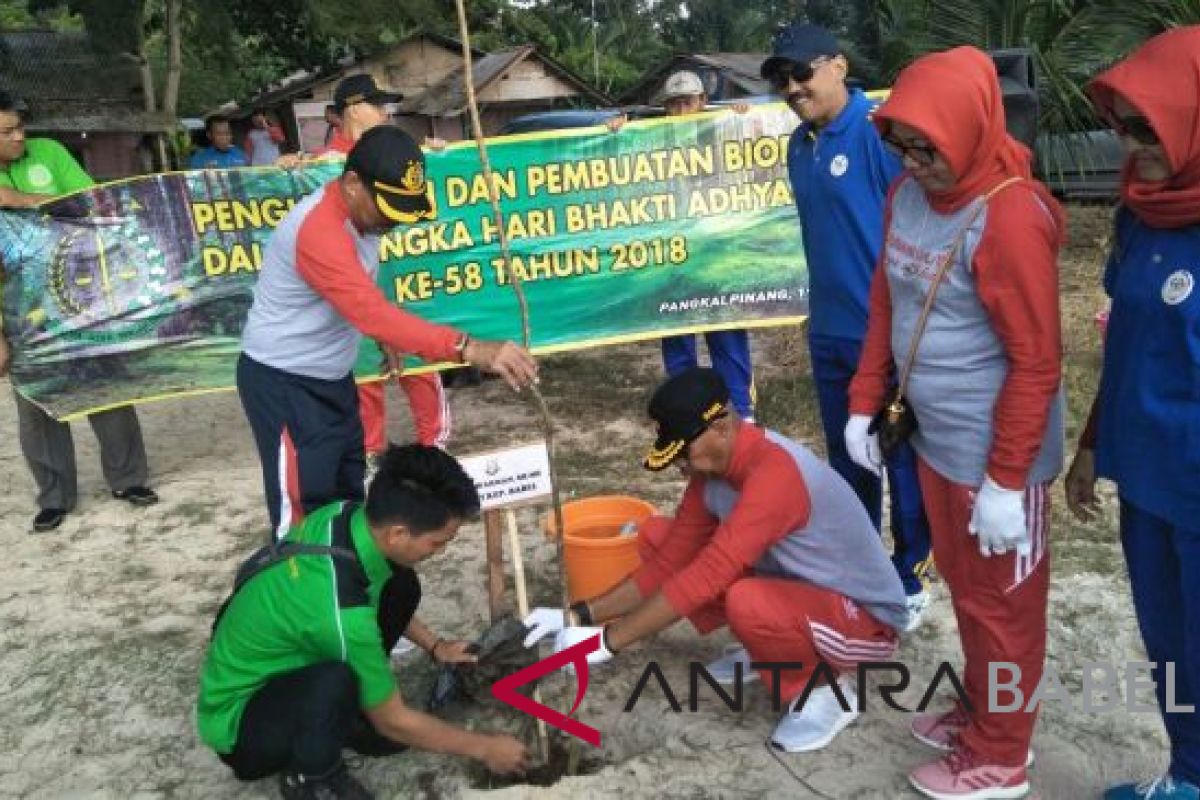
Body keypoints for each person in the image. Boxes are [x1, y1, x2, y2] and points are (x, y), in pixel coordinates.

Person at [845, 47, 1065, 799]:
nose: (914, 161)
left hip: (997, 450)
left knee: (1005, 608)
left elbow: (1038, 362)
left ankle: (1004, 754)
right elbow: (886, 300)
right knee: (970, 595)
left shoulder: (1009, 215)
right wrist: (861, 402)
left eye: (927, 145)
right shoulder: (907, 194)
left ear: (969, 129)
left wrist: (1007, 479)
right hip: (936, 439)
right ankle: (981, 710)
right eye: (898, 143)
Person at [523, 367, 907, 753]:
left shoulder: (775, 475)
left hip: (867, 622)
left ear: (721, 428)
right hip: (804, 594)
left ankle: (825, 692)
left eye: (682, 450)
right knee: (658, 534)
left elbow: (709, 574)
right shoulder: (711, 477)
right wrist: (577, 616)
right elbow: (670, 561)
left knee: (747, 600)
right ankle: (771, 650)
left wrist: (607, 642)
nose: (679, 464)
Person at [238, 125, 537, 537]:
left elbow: (361, 293)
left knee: (347, 495)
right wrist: (470, 348)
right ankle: (307, 592)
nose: (392, 222)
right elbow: (370, 312)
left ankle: (343, 585)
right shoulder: (319, 230)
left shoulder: (365, 220)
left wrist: (385, 338)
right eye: (388, 208)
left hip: (331, 377)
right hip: (285, 383)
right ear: (352, 183)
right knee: (304, 513)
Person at [198, 444, 529, 799]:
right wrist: (487, 748)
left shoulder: (345, 515)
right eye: (437, 543)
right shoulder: (343, 614)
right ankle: (312, 778)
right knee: (335, 683)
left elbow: (372, 594)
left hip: (289, 656)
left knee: (401, 584)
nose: (440, 552)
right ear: (398, 534)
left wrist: (436, 646)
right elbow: (394, 721)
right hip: (242, 725)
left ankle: (349, 713)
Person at [1065, 26, 1200, 800]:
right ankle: (1186, 775)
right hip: (1146, 478)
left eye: (1146, 126)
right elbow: (1126, 342)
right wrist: (1090, 443)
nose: (1129, 142)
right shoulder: (1141, 215)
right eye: (1121, 123)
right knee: (1169, 644)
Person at [761, 22, 933, 629]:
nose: (792, 87)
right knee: (847, 460)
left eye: (801, 72)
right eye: (782, 79)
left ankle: (910, 575)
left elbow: (920, 228)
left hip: (884, 335)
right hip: (830, 330)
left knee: (900, 457)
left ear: (837, 65)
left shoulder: (880, 134)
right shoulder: (798, 145)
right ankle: (861, 572)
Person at [0, 90, 158, 533]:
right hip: (20, 312)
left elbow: (92, 204)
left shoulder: (48, 154)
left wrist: (19, 200)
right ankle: (55, 497)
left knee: (106, 386)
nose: (20, 137)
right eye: (8, 132)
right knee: (38, 403)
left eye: (20, 126)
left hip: (81, 296)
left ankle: (128, 480)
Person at [319, 74, 454, 461]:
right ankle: (371, 455)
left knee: (419, 363)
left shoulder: (402, 154)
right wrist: (283, 167)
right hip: (354, 292)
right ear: (351, 111)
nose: (385, 112)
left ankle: (435, 450)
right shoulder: (322, 165)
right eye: (377, 105)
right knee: (364, 377)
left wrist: (444, 158)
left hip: (405, 287)